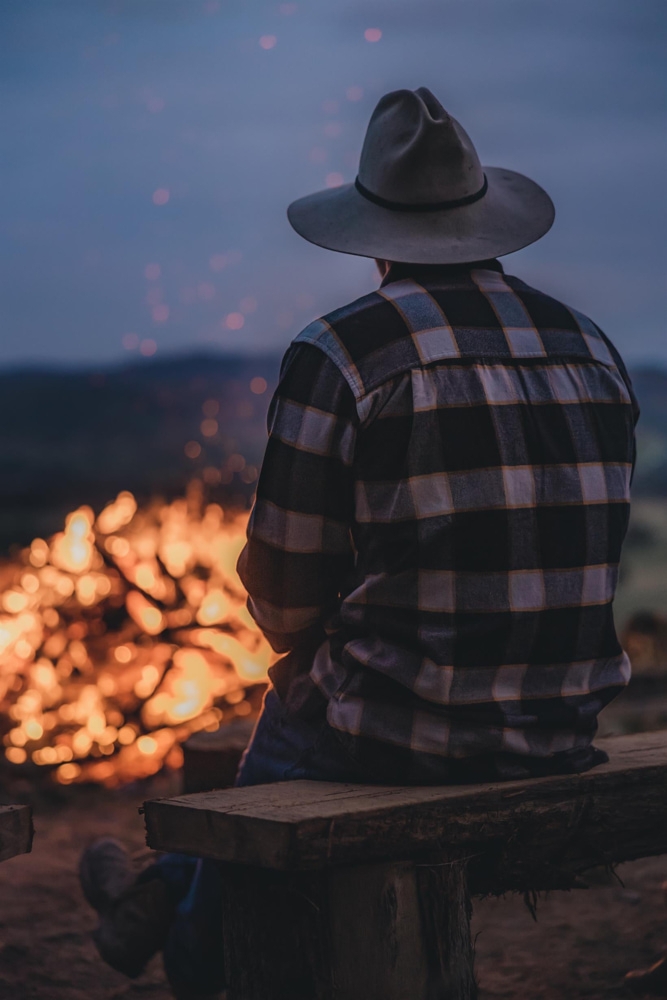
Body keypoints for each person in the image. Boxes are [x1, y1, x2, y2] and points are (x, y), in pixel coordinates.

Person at [80, 87, 638, 999]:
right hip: (561, 725)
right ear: (484, 221)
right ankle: (152, 901)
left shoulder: (342, 351)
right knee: (296, 711)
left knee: (296, 699)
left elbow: (285, 602)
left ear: (371, 232)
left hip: (403, 736)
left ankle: (182, 943)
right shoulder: (592, 346)